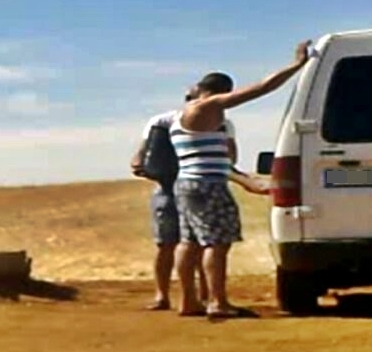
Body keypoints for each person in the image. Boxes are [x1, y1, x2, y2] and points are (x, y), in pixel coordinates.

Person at [171, 41, 312, 319]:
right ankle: (217, 301)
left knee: (189, 242)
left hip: (187, 183)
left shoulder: (178, 117)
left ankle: (189, 301)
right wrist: (296, 65)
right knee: (216, 243)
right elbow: (262, 87)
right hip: (208, 185)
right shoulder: (209, 105)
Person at [130, 87, 263, 312]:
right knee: (212, 243)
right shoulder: (218, 121)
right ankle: (214, 300)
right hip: (202, 185)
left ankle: (181, 298)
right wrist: (245, 181)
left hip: (174, 186)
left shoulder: (163, 120)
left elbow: (139, 158)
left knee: (180, 243)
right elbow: (225, 160)